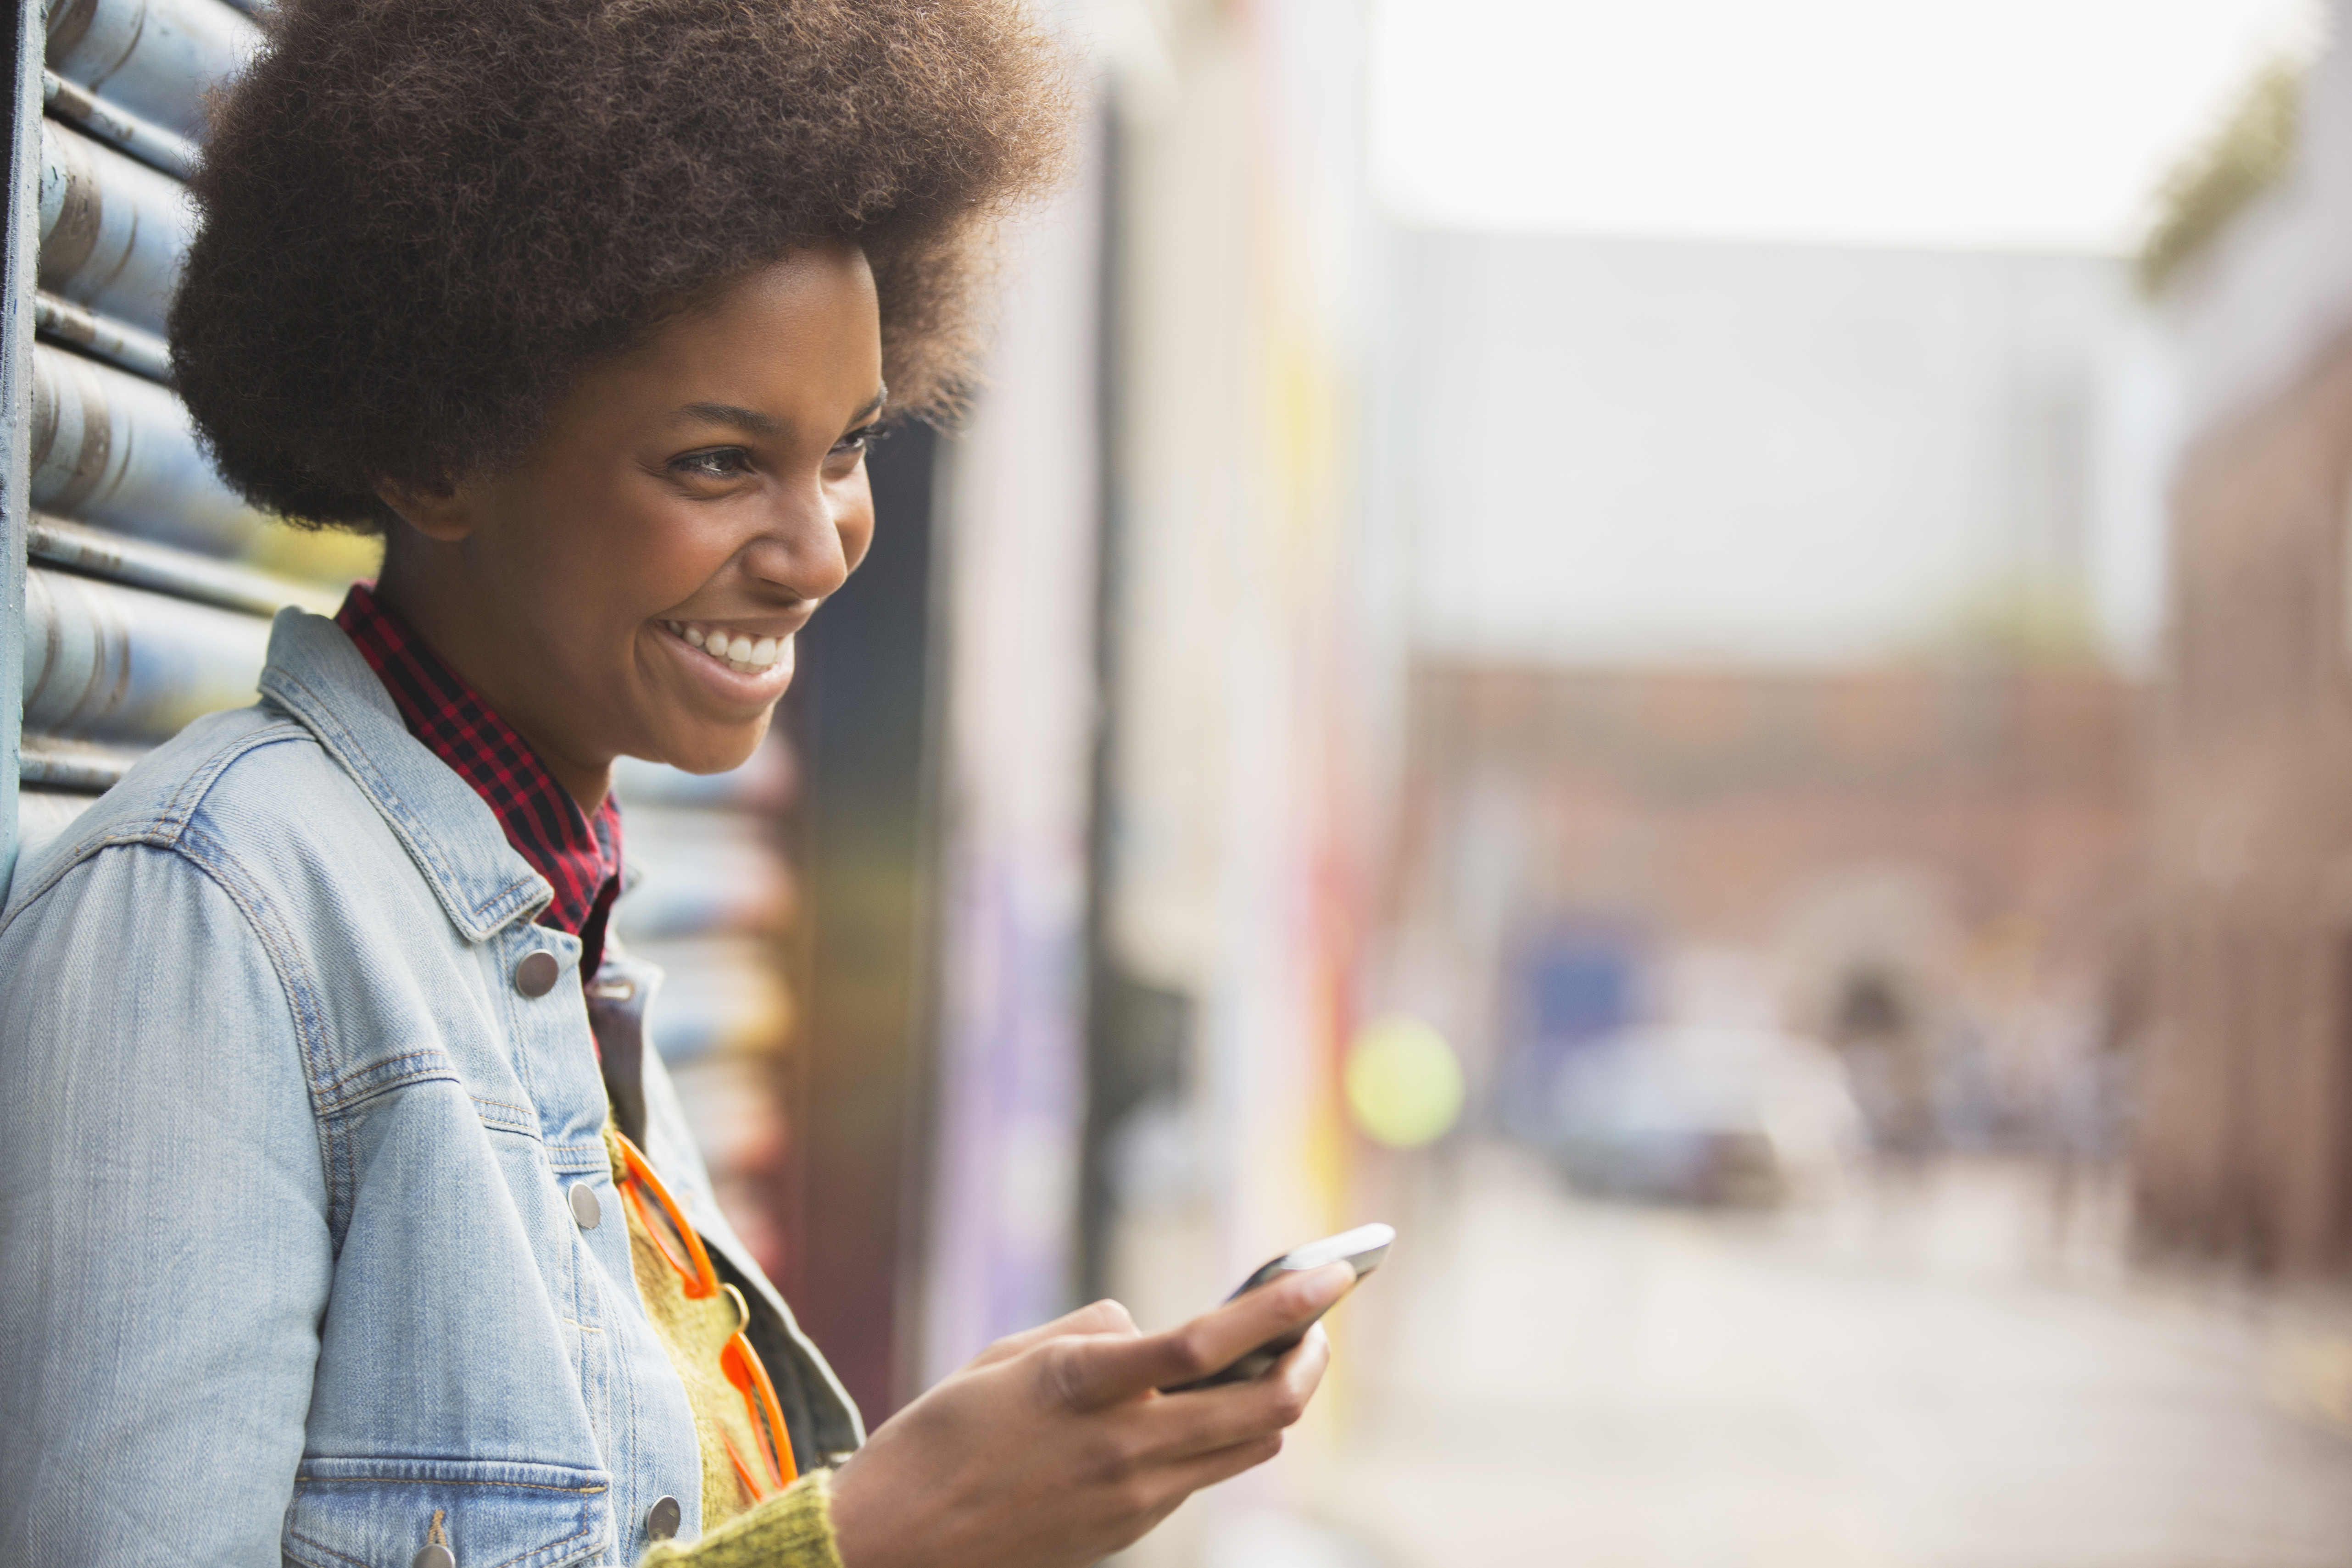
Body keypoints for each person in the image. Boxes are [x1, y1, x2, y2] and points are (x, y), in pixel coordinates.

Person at [0, 2, 1354, 1563]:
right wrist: (875, 1536)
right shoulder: (202, 927)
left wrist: (922, 1481)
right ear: (436, 447)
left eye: (846, 448)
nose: (814, 547)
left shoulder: (552, 929)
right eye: (717, 462)